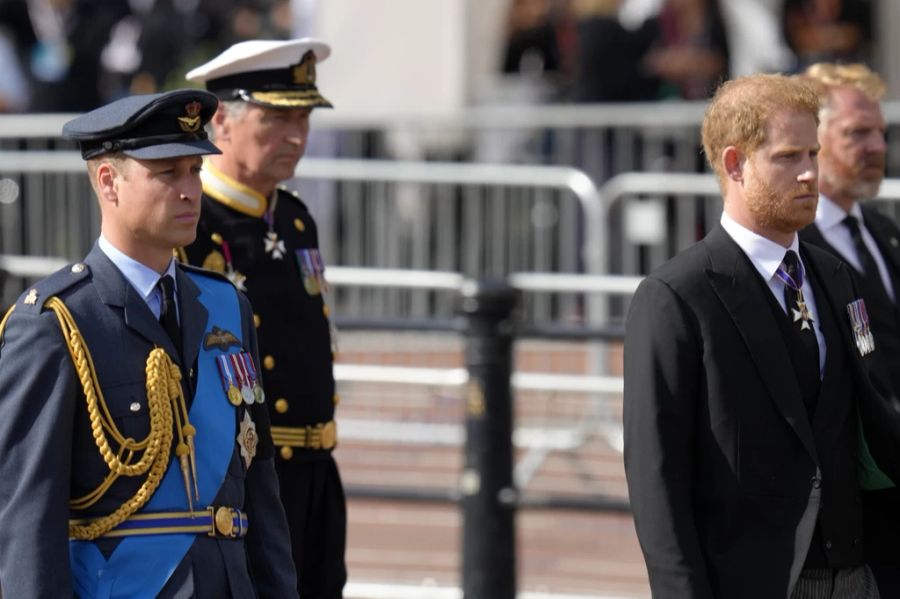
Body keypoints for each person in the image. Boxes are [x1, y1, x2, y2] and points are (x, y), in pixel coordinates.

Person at [0, 89, 298, 597]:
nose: (190, 191)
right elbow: (28, 518)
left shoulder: (227, 306)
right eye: (167, 174)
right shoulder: (57, 322)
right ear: (109, 181)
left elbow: (258, 489)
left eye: (195, 172)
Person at [623, 73, 898, 598]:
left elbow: (872, 420)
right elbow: (657, 478)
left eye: (814, 154)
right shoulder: (676, 297)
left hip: (859, 575)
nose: (811, 174)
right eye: (789, 157)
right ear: (734, 164)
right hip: (753, 581)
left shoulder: (834, 277)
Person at [181, 38, 346, 598]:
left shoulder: (294, 220)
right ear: (222, 122)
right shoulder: (192, 225)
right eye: (277, 118)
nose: (296, 135)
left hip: (317, 468)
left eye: (303, 118)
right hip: (245, 482)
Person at [798, 62, 900, 596]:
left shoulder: (882, 231)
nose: (876, 145)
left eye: (881, 132)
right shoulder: (794, 248)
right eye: (857, 132)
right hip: (850, 505)